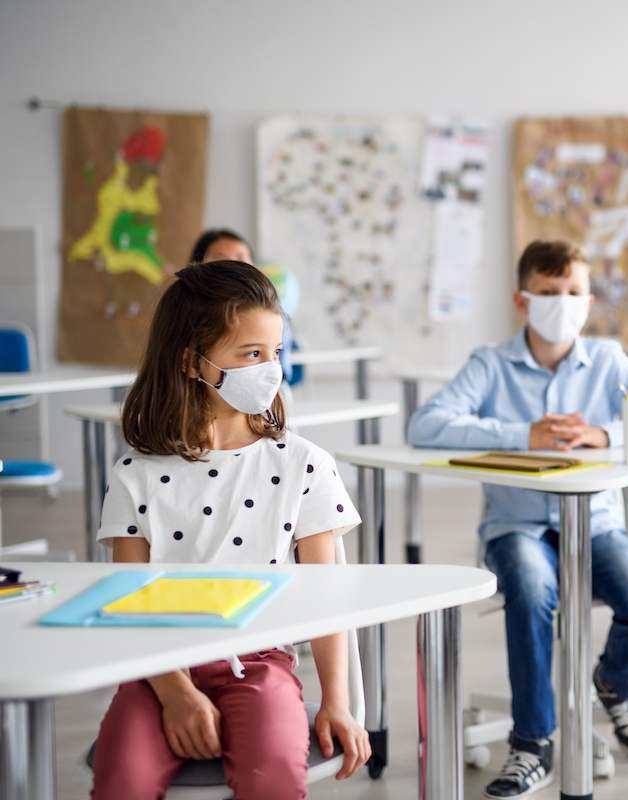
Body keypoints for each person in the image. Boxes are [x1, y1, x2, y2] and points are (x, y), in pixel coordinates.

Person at [409, 240, 628, 800]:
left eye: (572, 293)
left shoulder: (611, 362)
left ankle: (615, 686)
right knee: (530, 586)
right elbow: (427, 424)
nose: (561, 302)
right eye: (548, 293)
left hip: (594, 526)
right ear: (523, 300)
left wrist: (606, 434)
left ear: (588, 301)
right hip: (515, 527)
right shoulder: (490, 365)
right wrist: (521, 435)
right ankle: (532, 743)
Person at [90, 261, 369, 800]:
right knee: (121, 780)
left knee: (272, 779)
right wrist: (175, 693)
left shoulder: (304, 464)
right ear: (190, 362)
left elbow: (329, 600)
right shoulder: (136, 474)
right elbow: (126, 600)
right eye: (251, 355)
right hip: (156, 665)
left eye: (276, 353)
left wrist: (337, 702)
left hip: (261, 664)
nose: (270, 370)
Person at [190, 228, 294, 386]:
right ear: (198, 264)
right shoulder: (187, 308)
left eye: (240, 257)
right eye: (220, 258)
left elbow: (282, 367)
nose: (233, 265)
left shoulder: (269, 308)